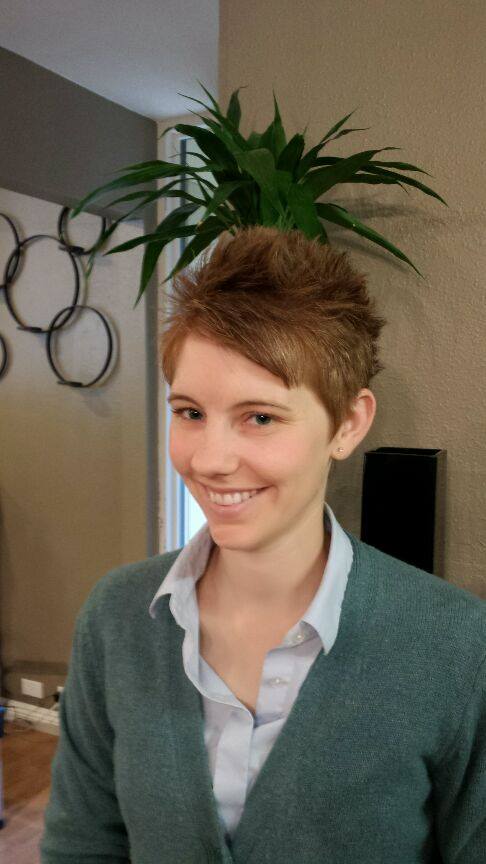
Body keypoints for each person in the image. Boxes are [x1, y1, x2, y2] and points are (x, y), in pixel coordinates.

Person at [40, 226, 486, 863]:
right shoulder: (116, 617)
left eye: (260, 417)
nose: (210, 460)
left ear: (348, 423)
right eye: (190, 412)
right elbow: (83, 845)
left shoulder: (457, 649)